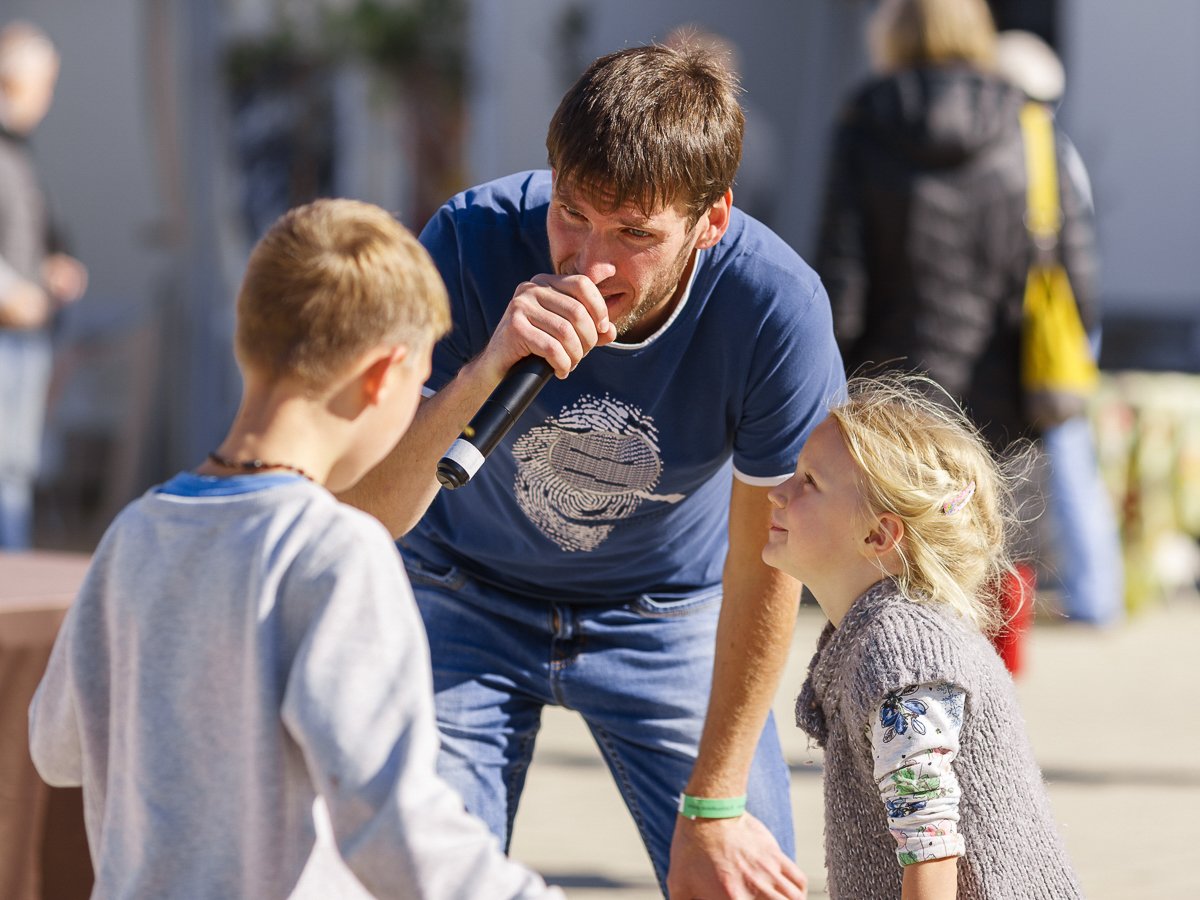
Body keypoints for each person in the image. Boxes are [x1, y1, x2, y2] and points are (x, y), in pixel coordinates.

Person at [343, 42, 845, 898]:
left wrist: (715, 803)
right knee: (410, 880)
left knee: (737, 877)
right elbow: (368, 512)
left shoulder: (773, 306)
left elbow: (770, 560)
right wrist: (486, 368)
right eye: (571, 213)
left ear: (711, 221)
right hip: (460, 593)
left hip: (665, 613)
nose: (590, 262)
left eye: (636, 234)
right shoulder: (469, 238)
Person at [28, 199, 562, 899]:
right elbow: (393, 828)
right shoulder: (336, 552)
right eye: (421, 384)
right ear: (383, 375)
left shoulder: (134, 531)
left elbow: (55, 748)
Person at [812, 0, 1099, 674]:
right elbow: (1076, 269)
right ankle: (995, 701)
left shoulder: (863, 123)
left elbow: (841, 275)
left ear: (893, 37)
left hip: (895, 383)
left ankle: (907, 696)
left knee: (899, 553)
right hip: (1005, 380)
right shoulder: (1028, 126)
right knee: (998, 545)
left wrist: (831, 379)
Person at [765, 373, 1083, 899]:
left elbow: (930, 844)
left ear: (878, 534)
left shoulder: (903, 653)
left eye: (809, 482)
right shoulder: (877, 632)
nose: (777, 492)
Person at [994, 28, 1124, 626]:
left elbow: (1074, 255)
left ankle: (1094, 592)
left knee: (1067, 456)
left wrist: (1079, 332)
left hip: (1052, 328)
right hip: (1066, 325)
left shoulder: (1037, 146)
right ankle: (1094, 589)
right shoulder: (1057, 146)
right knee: (1070, 456)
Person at [0, 21, 87, 549]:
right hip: (6, 334)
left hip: (26, 337)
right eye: (44, 84)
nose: (47, 97)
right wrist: (9, 293)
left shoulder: (19, 150)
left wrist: (52, 265)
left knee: (15, 468)